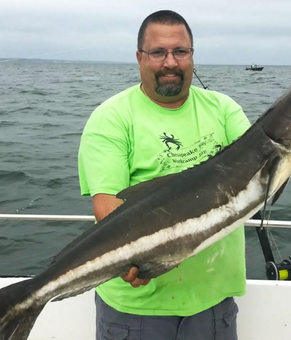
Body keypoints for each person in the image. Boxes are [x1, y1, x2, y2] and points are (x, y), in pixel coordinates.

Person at [78, 10, 250, 340]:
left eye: (180, 51)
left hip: (213, 302)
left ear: (192, 56)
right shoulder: (111, 118)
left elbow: (258, 165)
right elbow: (107, 206)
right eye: (158, 52)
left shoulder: (224, 109)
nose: (170, 62)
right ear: (139, 57)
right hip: (136, 311)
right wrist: (141, 259)